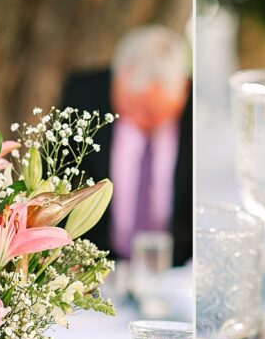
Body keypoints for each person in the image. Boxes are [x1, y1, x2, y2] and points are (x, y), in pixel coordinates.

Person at [59, 25, 192, 266]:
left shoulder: (198, 113)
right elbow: (58, 182)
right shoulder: (82, 96)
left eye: (152, 114)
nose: (139, 121)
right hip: (99, 266)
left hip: (179, 269)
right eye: (130, 108)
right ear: (117, 79)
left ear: (183, 89)